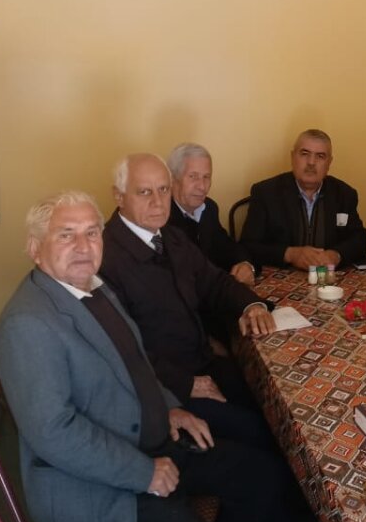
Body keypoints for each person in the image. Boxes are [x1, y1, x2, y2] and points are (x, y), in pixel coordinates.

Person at [0, 192, 313, 522]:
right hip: (98, 484)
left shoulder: (93, 287)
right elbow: (55, 433)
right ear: (35, 248)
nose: (84, 246)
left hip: (148, 437)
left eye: (92, 233)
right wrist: (143, 472)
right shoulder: (28, 324)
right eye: (66, 235)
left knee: (260, 474)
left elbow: (136, 364)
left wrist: (170, 407)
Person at [101, 153, 277, 449]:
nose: (158, 202)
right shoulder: (105, 258)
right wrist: (185, 384)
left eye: (163, 189)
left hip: (203, 362)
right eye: (144, 192)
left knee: (273, 401)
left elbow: (215, 282)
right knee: (265, 435)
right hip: (167, 387)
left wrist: (252, 305)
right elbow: (119, 348)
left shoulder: (171, 237)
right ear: (119, 196)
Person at [241, 129, 366, 269]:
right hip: (282, 275)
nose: (311, 162)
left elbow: (360, 239)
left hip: (326, 276)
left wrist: (336, 255)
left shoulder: (344, 194)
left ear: (329, 163)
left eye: (320, 156)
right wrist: (290, 254)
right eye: (304, 154)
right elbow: (248, 245)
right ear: (292, 157)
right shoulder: (266, 192)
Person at [168, 142, 255, 285]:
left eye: (206, 177)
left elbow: (227, 247)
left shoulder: (209, 207)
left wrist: (245, 264)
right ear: (172, 179)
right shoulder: (160, 217)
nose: (202, 186)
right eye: (193, 176)